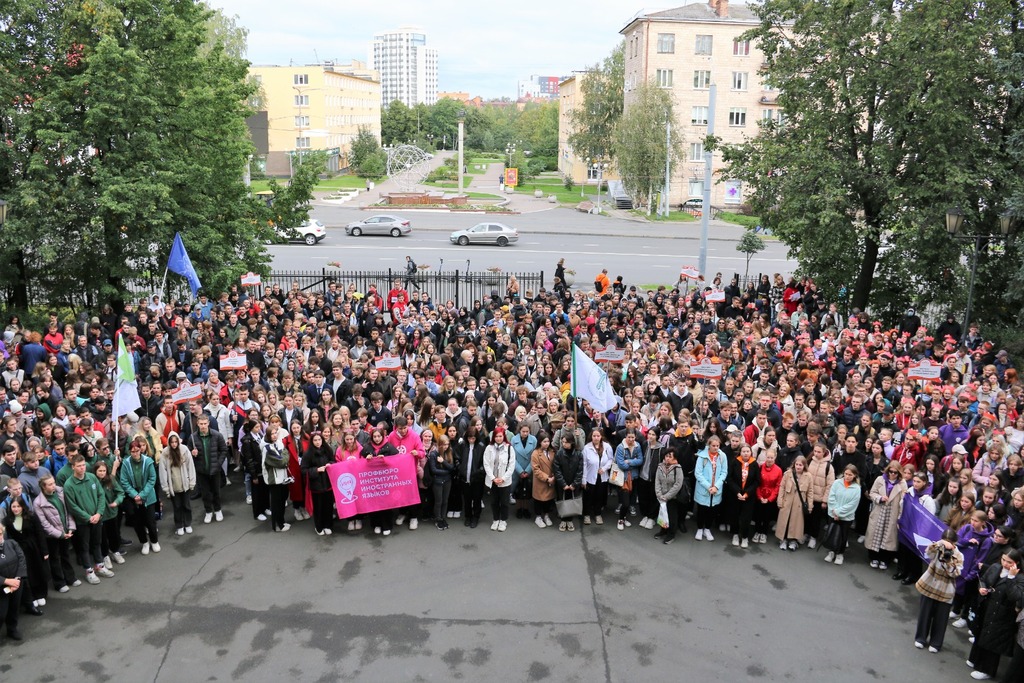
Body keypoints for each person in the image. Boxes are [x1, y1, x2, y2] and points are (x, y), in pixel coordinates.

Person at [967, 549, 1024, 679]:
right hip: (987, 607)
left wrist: (1011, 577)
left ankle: (987, 670)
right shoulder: (995, 567)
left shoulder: (1020, 578)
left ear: (1016, 563)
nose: (1005, 564)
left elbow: (1015, 596)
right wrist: (981, 588)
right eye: (1003, 560)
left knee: (994, 642)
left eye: (1009, 562)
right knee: (981, 634)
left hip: (1003, 614)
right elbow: (983, 579)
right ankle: (975, 660)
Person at [913, 528, 964, 653]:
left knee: (941, 619)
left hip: (946, 590)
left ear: (955, 543)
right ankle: (921, 638)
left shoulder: (959, 555)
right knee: (925, 614)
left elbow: (955, 573)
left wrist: (949, 561)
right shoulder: (936, 547)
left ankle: (936, 643)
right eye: (946, 541)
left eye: (950, 543)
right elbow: (928, 553)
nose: (948, 545)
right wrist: (938, 544)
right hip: (930, 584)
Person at [62, 455, 110, 584]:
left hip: (97, 518)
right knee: (84, 547)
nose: (82, 468)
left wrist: (99, 513)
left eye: (83, 465)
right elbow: (72, 507)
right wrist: (88, 517)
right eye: (79, 466)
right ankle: (89, 571)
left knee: (97, 543)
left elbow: (101, 495)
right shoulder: (69, 485)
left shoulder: (92, 477)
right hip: (82, 522)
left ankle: (99, 566)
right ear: (73, 467)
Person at [1, 497, 46, 615]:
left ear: (23, 507)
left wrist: (44, 551)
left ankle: (40, 594)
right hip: (19, 550)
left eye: (18, 506)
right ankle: (31, 597)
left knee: (37, 570)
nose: (16, 509)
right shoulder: (7, 520)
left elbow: (40, 533)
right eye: (13, 506)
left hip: (33, 548)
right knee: (26, 574)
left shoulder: (31, 516)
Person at [33, 473, 76, 593]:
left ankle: (70, 578)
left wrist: (71, 527)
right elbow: (44, 524)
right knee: (55, 558)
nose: (53, 485)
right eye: (50, 484)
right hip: (52, 536)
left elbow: (68, 511)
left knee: (66, 555)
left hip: (66, 531)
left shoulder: (60, 492)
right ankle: (59, 583)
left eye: (54, 483)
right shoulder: (38, 503)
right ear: (43, 487)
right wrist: (60, 534)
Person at [118, 436, 159, 555]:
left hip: (148, 497)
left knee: (150, 521)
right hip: (133, 498)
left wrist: (142, 495)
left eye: (137, 451)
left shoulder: (148, 461)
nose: (135, 453)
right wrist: (135, 495)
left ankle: (154, 541)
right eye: (132, 451)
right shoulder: (126, 463)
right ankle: (144, 542)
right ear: (129, 452)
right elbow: (124, 481)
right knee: (137, 522)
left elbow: (152, 479)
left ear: (140, 450)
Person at [865, 462, 906, 570]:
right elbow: (872, 493)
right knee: (875, 534)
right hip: (879, 510)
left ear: (899, 473)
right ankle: (874, 557)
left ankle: (885, 559)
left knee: (888, 537)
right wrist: (880, 498)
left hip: (892, 513)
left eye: (895, 472)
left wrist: (900, 516)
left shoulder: (902, 483)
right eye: (890, 471)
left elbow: (904, 501)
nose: (892, 474)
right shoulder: (880, 479)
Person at [190, 415, 227, 524]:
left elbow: (224, 450)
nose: (203, 426)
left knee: (216, 491)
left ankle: (218, 509)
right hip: (201, 470)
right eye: (201, 424)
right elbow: (188, 452)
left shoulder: (217, 435)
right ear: (197, 424)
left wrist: (218, 463)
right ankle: (208, 511)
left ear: (208, 423)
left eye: (205, 423)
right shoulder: (193, 438)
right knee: (205, 493)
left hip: (215, 469)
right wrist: (192, 453)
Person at [361, 427, 398, 536]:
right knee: (374, 503)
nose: (377, 439)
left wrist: (386, 460)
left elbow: (397, 462)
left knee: (386, 504)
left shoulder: (390, 447)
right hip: (372, 482)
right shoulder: (367, 447)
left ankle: (387, 525)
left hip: (386, 481)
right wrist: (366, 459)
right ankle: (376, 524)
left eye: (379, 436)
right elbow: (360, 464)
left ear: (383, 436)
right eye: (375, 436)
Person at [159, 432, 196, 536]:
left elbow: (190, 466)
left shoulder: (184, 450)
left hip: (185, 484)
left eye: (176, 442)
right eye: (172, 442)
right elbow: (162, 471)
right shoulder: (165, 453)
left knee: (187, 505)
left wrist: (192, 482)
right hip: (173, 486)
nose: (174, 444)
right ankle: (179, 525)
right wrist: (166, 488)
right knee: (177, 507)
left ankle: (188, 524)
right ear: (169, 443)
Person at [824, 464, 861, 565]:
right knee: (832, 533)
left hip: (846, 518)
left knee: (843, 536)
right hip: (833, 514)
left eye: (850, 475)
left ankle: (840, 554)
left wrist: (838, 512)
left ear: (854, 475)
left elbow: (852, 505)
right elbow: (831, 497)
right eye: (846, 474)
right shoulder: (837, 483)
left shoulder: (857, 488)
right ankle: (831, 552)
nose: (847, 476)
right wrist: (835, 511)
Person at [694, 436, 728, 541]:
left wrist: (716, 486)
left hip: (716, 490)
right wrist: (708, 486)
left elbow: (724, 472)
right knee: (702, 510)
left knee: (712, 510)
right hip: (704, 489)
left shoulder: (722, 456)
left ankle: (707, 529)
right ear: (709, 445)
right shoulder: (702, 456)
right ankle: (700, 529)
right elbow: (698, 473)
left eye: (717, 446)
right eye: (713, 445)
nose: (716, 448)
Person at [300, 432, 334, 536]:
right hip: (316, 486)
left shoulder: (327, 450)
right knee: (318, 508)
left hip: (328, 484)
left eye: (319, 440)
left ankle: (328, 525)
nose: (318, 442)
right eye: (315, 440)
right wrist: (316, 470)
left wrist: (330, 464)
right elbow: (303, 470)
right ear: (312, 441)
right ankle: (319, 527)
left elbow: (333, 461)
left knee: (328, 507)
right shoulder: (308, 454)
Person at [728, 443, 761, 549]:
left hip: (748, 496)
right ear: (740, 452)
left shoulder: (754, 464)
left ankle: (745, 537)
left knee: (746, 518)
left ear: (751, 452)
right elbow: (730, 479)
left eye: (747, 451)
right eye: (743, 451)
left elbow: (757, 481)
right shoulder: (734, 462)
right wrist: (737, 492)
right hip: (735, 495)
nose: (746, 453)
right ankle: (735, 534)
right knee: (734, 515)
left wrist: (747, 493)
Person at [92, 461, 125, 568]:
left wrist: (117, 502)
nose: (102, 473)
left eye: (104, 471)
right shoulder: (92, 482)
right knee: (102, 537)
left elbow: (120, 492)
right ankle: (105, 555)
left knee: (114, 534)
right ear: (95, 471)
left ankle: (115, 551)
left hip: (111, 513)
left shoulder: (111, 479)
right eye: (99, 471)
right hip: (100, 515)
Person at [776, 456, 812, 551]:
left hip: (799, 504)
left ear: (804, 466)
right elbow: (782, 487)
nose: (798, 466)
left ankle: (793, 541)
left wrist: (810, 505)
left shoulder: (808, 476)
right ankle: (783, 540)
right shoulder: (788, 474)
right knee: (785, 521)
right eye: (797, 464)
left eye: (800, 465)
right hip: (787, 502)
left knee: (796, 523)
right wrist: (780, 500)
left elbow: (810, 492)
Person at [483, 428, 515, 532]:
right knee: (494, 501)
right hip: (493, 481)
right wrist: (493, 478)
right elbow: (486, 464)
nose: (498, 438)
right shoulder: (489, 448)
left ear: (504, 436)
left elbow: (511, 465)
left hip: (504, 481)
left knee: (504, 502)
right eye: (496, 436)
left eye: (500, 436)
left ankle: (503, 520)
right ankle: (496, 519)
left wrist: (503, 478)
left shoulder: (509, 448)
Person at [0, 522, 27, 641]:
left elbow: (21, 559)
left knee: (14, 608)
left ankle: (12, 629)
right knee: (1, 613)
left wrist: (17, 579)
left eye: (0, 533)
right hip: (2, 586)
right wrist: (6, 581)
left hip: (16, 583)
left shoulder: (12, 543)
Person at [261, 427, 291, 532]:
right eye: (272, 434)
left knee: (283, 500)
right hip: (274, 479)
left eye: (275, 433)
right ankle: (277, 525)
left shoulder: (279, 443)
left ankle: (282, 521)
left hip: (283, 478)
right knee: (276, 503)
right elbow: (281, 462)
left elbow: (286, 456)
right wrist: (285, 456)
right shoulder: (267, 448)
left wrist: (284, 456)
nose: (274, 435)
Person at [613, 429, 643, 530]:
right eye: (629, 437)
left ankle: (624, 517)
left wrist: (629, 461)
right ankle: (620, 520)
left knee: (629, 501)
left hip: (633, 477)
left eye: (632, 437)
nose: (631, 439)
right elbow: (621, 464)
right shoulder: (620, 447)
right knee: (625, 503)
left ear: (635, 437)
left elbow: (640, 460)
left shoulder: (637, 446)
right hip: (623, 478)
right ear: (625, 436)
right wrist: (634, 462)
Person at [653, 450, 685, 544]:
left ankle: (671, 534)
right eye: (666, 456)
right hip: (661, 496)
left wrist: (667, 496)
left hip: (672, 498)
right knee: (663, 514)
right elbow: (657, 481)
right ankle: (663, 530)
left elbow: (678, 484)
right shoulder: (660, 466)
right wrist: (659, 494)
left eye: (670, 456)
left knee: (672, 516)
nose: (667, 458)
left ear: (675, 458)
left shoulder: (677, 468)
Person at [581, 429, 612, 526]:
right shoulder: (587, 448)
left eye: (598, 436)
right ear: (591, 436)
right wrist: (584, 479)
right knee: (588, 496)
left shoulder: (607, 446)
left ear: (601, 436)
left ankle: (598, 514)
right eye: (594, 436)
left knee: (599, 496)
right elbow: (584, 464)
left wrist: (604, 468)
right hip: (590, 476)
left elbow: (611, 459)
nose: (596, 438)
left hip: (602, 476)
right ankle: (586, 514)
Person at [553, 434, 582, 532]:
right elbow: (557, 470)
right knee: (562, 500)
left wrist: (574, 484)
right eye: (563, 442)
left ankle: (569, 520)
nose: (564, 444)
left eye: (566, 442)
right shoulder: (559, 454)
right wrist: (563, 484)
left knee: (571, 501)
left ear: (571, 442)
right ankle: (563, 520)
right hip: (562, 483)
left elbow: (580, 470)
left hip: (573, 483)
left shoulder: (578, 454)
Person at [754, 450, 782, 544]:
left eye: (771, 458)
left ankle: (764, 533)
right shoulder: (760, 467)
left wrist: (770, 499)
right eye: (768, 457)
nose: (769, 459)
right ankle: (757, 531)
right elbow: (757, 483)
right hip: (760, 495)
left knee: (767, 516)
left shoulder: (778, 470)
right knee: (758, 515)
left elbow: (778, 486)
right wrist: (759, 496)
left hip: (770, 497)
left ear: (775, 458)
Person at [429, 436, 456, 529]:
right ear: (439, 444)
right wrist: (447, 472)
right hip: (438, 481)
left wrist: (443, 461)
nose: (446, 446)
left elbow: (452, 467)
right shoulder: (433, 454)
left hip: (447, 480)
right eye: (444, 444)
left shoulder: (449, 452)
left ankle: (443, 518)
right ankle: (438, 519)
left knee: (445, 500)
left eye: (447, 444)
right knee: (438, 501)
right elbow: (433, 470)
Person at [530, 432, 556, 528]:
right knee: (539, 500)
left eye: (548, 441)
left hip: (552, 479)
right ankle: (538, 517)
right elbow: (536, 469)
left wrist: (554, 477)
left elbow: (556, 465)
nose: (546, 443)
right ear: (540, 442)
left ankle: (546, 515)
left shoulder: (553, 451)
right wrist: (547, 478)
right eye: (544, 441)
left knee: (549, 500)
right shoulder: (535, 453)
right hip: (541, 481)